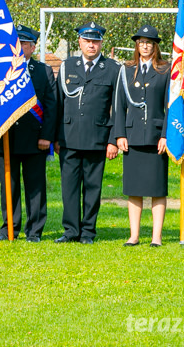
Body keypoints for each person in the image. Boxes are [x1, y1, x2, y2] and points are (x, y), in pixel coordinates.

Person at [55, 22, 120, 244]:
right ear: (80, 42)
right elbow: (57, 104)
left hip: (97, 138)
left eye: (95, 41)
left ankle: (88, 231)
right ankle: (71, 230)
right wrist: (55, 137)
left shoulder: (112, 69)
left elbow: (118, 108)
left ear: (101, 43)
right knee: (69, 188)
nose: (91, 45)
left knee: (93, 188)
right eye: (87, 41)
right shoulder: (67, 66)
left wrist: (113, 139)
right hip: (69, 136)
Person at [0, 25, 57, 243]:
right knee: (8, 187)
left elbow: (51, 106)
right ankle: (8, 228)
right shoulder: (2, 70)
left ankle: (34, 231)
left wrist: (47, 137)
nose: (20, 48)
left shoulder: (43, 71)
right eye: (17, 44)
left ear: (32, 47)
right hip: (7, 139)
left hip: (35, 139)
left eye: (25, 44)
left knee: (35, 187)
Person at [113, 25, 170, 247]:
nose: (144, 46)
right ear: (137, 45)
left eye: (149, 42)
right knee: (134, 189)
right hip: (133, 135)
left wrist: (166, 135)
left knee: (157, 189)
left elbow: (169, 106)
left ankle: (156, 237)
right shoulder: (126, 70)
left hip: (156, 138)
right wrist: (119, 135)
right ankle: (134, 235)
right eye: (141, 42)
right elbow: (119, 105)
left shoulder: (165, 70)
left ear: (155, 46)